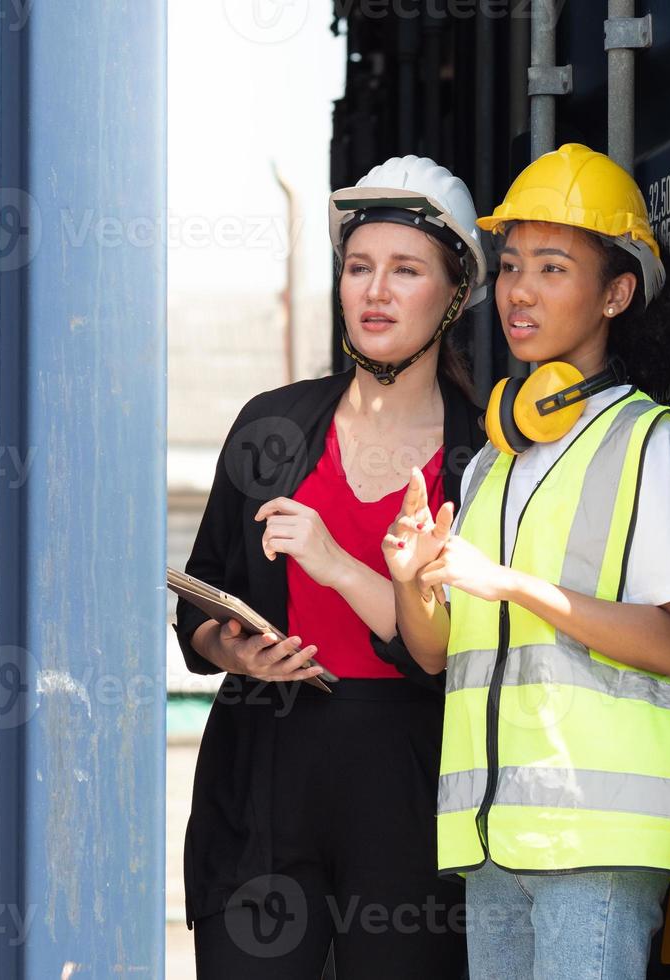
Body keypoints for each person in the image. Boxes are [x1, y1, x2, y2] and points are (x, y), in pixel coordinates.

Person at [384, 143, 670, 980]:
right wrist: (413, 579)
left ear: (616, 294)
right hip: (495, 833)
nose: (519, 290)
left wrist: (513, 583)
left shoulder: (649, 443)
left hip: (593, 833)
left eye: (553, 267)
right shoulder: (494, 461)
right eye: (513, 263)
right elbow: (435, 652)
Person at [174, 155, 488, 979]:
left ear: (454, 294)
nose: (374, 290)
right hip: (265, 782)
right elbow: (198, 600)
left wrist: (338, 561)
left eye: (405, 270)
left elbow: (462, 649)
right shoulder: (269, 428)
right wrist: (229, 649)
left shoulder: (487, 457)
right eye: (359, 268)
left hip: (410, 794)